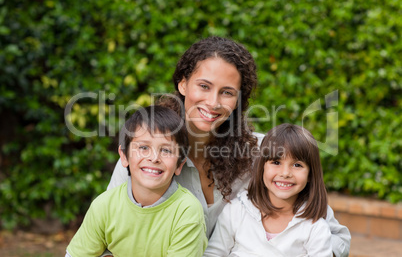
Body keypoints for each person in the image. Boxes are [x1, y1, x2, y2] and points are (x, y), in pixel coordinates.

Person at [108, 36, 351, 256]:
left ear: (238, 101)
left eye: (227, 92)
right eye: (204, 86)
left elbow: (336, 237)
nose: (213, 102)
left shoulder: (266, 154)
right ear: (183, 85)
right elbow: (105, 237)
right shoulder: (144, 157)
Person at [66, 106, 207, 257]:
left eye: (166, 150)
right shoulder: (104, 206)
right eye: (144, 147)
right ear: (124, 156)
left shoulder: (187, 211)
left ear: (179, 165)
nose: (154, 158)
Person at [204, 124, 335, 256]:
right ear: (262, 167)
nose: (285, 173)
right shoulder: (237, 211)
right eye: (276, 162)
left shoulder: (314, 226)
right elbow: (214, 253)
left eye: (297, 165)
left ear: (310, 175)